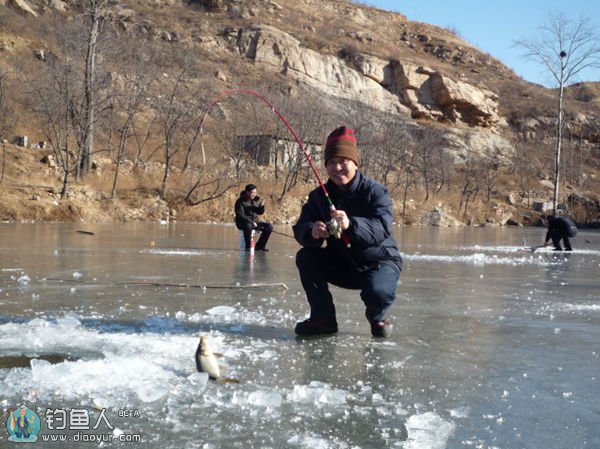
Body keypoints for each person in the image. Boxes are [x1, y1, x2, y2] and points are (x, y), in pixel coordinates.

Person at [292, 126, 403, 338]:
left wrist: (351, 224)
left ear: (355, 163)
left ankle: (377, 318)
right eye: (331, 163)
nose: (337, 168)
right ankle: (323, 319)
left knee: (377, 291)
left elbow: (381, 228)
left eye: (343, 161)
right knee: (306, 257)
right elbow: (300, 228)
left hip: (378, 263)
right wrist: (312, 232)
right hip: (342, 263)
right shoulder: (318, 197)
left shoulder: (376, 192)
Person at [234, 183, 273, 251]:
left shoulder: (254, 201)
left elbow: (259, 212)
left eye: (255, 192)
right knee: (248, 226)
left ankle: (260, 246)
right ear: (247, 192)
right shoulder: (240, 202)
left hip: (254, 222)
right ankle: (248, 247)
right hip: (243, 223)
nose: (254, 194)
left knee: (269, 227)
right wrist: (251, 222)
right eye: (252, 193)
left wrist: (261, 206)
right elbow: (240, 215)